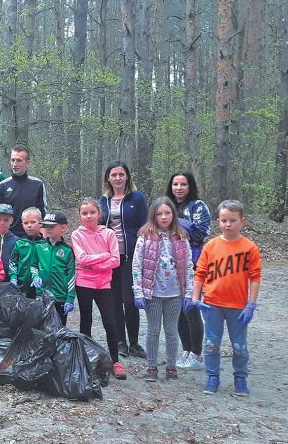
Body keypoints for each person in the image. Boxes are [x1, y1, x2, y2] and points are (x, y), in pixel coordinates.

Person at [188, 200, 262, 396]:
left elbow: (255, 277)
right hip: (212, 304)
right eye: (223, 220)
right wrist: (195, 297)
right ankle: (213, 377)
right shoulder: (211, 246)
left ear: (242, 221)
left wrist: (251, 305)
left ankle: (240, 379)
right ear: (218, 221)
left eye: (232, 220)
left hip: (238, 306)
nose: (228, 224)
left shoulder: (249, 248)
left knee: (239, 346)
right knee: (211, 343)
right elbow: (200, 273)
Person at [132, 198, 195, 382]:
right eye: (159, 213)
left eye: (167, 213)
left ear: (173, 214)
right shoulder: (145, 236)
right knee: (153, 330)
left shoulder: (181, 237)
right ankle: (151, 366)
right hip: (152, 293)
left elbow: (189, 266)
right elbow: (137, 266)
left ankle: (171, 366)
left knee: (171, 330)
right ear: (153, 215)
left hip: (175, 293)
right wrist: (138, 291)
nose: (164, 217)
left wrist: (189, 293)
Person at [98, 161, 148, 358]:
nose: (117, 178)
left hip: (130, 255)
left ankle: (134, 342)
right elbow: (99, 225)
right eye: (113, 175)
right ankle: (120, 341)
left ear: (127, 176)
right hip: (110, 257)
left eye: (121, 174)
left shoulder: (137, 198)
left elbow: (145, 226)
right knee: (114, 300)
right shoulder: (103, 200)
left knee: (130, 299)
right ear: (108, 178)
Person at [71, 198, 125, 379]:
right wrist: (103, 256)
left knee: (110, 321)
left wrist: (96, 265)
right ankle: (86, 359)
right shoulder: (77, 235)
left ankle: (116, 361)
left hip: (103, 284)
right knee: (86, 320)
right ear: (79, 216)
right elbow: (82, 259)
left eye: (92, 212)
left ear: (99, 214)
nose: (88, 216)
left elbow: (116, 260)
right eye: (84, 213)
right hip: (84, 282)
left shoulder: (109, 234)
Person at [167, 172, 211, 370]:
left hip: (193, 262)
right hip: (169, 264)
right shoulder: (167, 205)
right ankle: (186, 350)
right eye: (175, 184)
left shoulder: (198, 206)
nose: (178, 188)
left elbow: (201, 233)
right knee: (177, 310)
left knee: (190, 307)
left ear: (190, 186)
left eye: (183, 184)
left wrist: (176, 225)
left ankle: (196, 352)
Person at [0, 145, 48, 238]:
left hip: (32, 237)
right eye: (12, 160)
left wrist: (43, 235)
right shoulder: (2, 186)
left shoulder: (38, 184)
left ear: (28, 163)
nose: (15, 164)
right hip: (9, 237)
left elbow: (43, 212)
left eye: (19, 160)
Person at [35, 212, 76, 325]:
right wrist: (35, 277)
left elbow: (71, 275)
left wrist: (70, 298)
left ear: (63, 228)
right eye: (45, 226)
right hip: (42, 296)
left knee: (59, 329)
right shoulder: (39, 247)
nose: (48, 229)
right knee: (42, 328)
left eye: (51, 226)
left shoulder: (67, 250)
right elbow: (33, 266)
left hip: (60, 297)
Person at [8, 208, 45, 296]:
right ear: (22, 225)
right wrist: (13, 277)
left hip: (40, 286)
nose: (29, 225)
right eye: (26, 223)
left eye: (33, 222)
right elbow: (13, 262)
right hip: (22, 285)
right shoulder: (19, 243)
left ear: (41, 223)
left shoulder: (46, 244)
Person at [0, 204, 18, 281]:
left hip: (9, 277)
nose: (2, 223)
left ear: (11, 221)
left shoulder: (16, 240)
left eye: (6, 220)